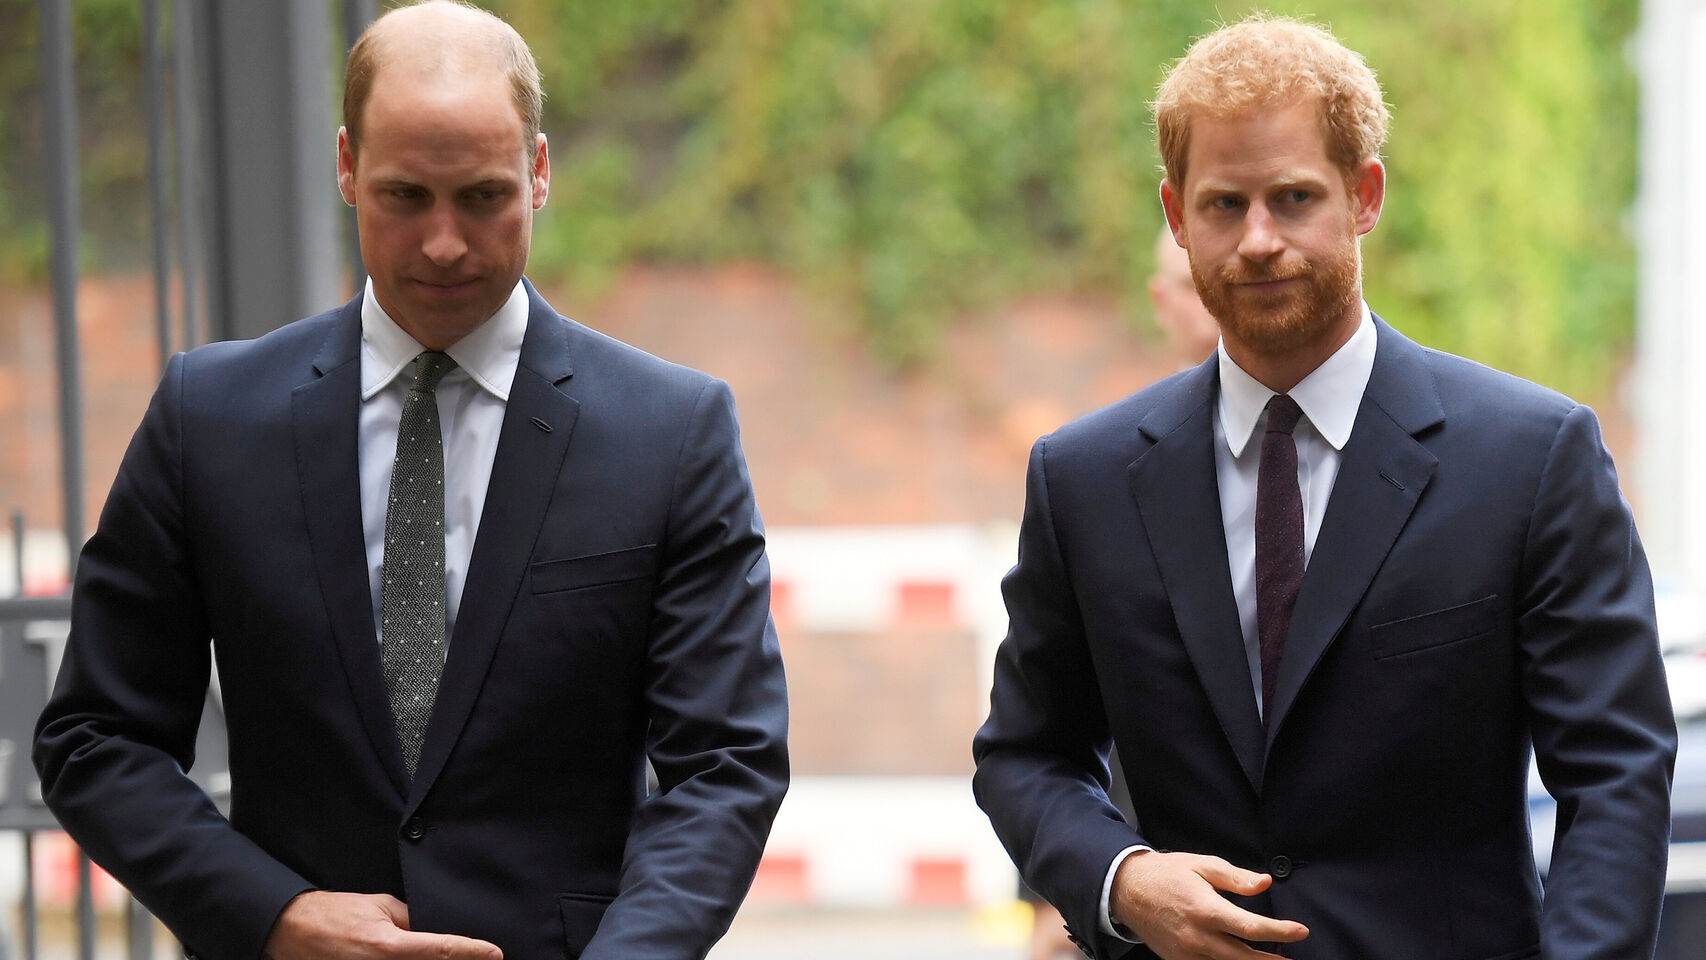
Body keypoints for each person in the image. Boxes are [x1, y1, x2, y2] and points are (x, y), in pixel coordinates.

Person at [32, 3, 788, 959]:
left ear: (540, 172)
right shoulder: (209, 418)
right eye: (404, 197)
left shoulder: (670, 431)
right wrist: (272, 916)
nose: (442, 243)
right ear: (347, 166)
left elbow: (724, 765)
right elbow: (96, 738)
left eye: (481, 197)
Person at [973, 14, 1674, 960]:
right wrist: (1121, 878)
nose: (1259, 240)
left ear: (1365, 196)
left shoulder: (1529, 458)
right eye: (1225, 205)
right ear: (1177, 217)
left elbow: (1617, 775)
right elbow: (1025, 754)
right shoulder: (1085, 481)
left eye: (1294, 197)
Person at [1025, 228, 1219, 960]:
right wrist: (1073, 886)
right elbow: (1050, 720)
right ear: (1161, 301)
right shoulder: (1097, 470)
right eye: (1191, 280)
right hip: (1141, 897)